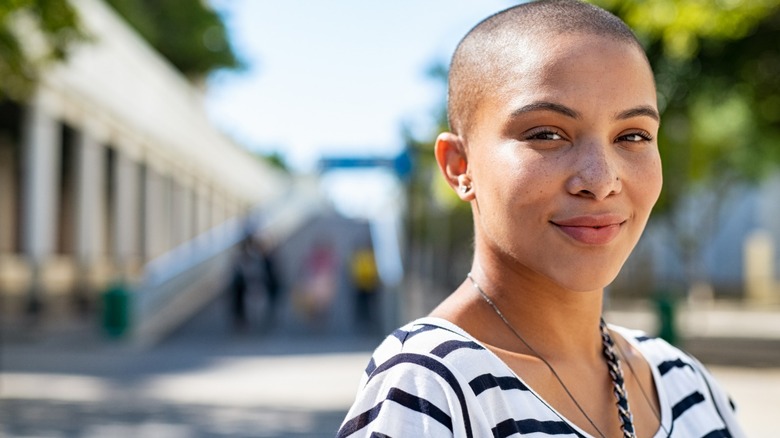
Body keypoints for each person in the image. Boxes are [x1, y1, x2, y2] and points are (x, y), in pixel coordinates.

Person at [337, 1, 746, 437]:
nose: (601, 179)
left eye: (632, 135)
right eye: (547, 135)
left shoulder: (687, 384)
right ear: (460, 165)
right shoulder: (429, 389)